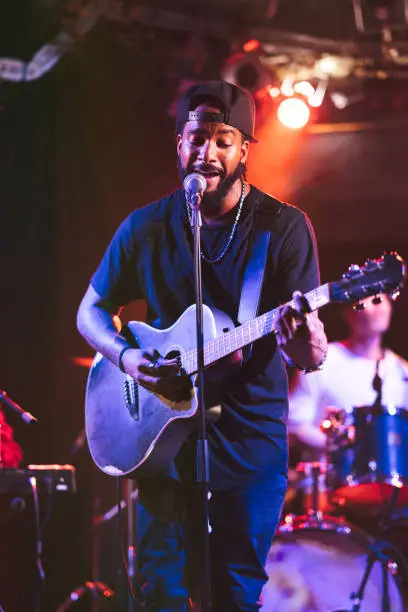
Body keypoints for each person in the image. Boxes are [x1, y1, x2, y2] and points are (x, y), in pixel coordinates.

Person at [77, 80, 327, 611]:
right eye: (195, 138)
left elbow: (311, 356)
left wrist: (305, 339)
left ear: (244, 150)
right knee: (161, 592)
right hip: (164, 442)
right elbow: (90, 311)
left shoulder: (281, 229)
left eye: (222, 140)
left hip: (249, 441)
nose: (206, 154)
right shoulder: (145, 226)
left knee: (236, 594)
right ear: (178, 142)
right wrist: (125, 357)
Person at [288, 294, 408, 452]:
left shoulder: (402, 370)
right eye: (370, 298)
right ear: (347, 312)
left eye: (381, 298)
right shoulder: (320, 360)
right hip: (332, 472)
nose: (378, 306)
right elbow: (295, 424)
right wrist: (337, 446)